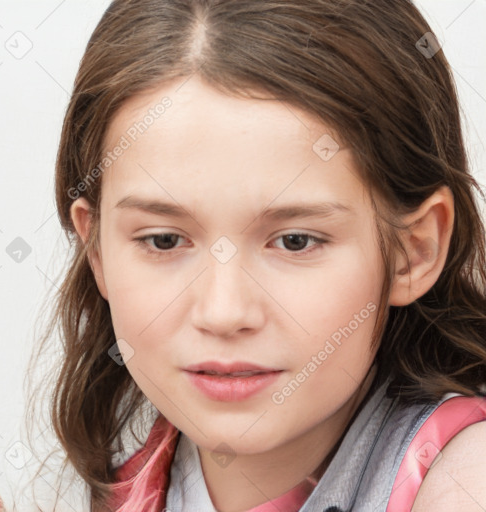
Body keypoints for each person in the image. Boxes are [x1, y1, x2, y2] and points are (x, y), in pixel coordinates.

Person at [25, 0, 486, 511]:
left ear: (413, 250)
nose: (224, 313)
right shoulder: (89, 495)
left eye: (295, 241)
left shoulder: (464, 482)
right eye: (163, 240)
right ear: (97, 249)